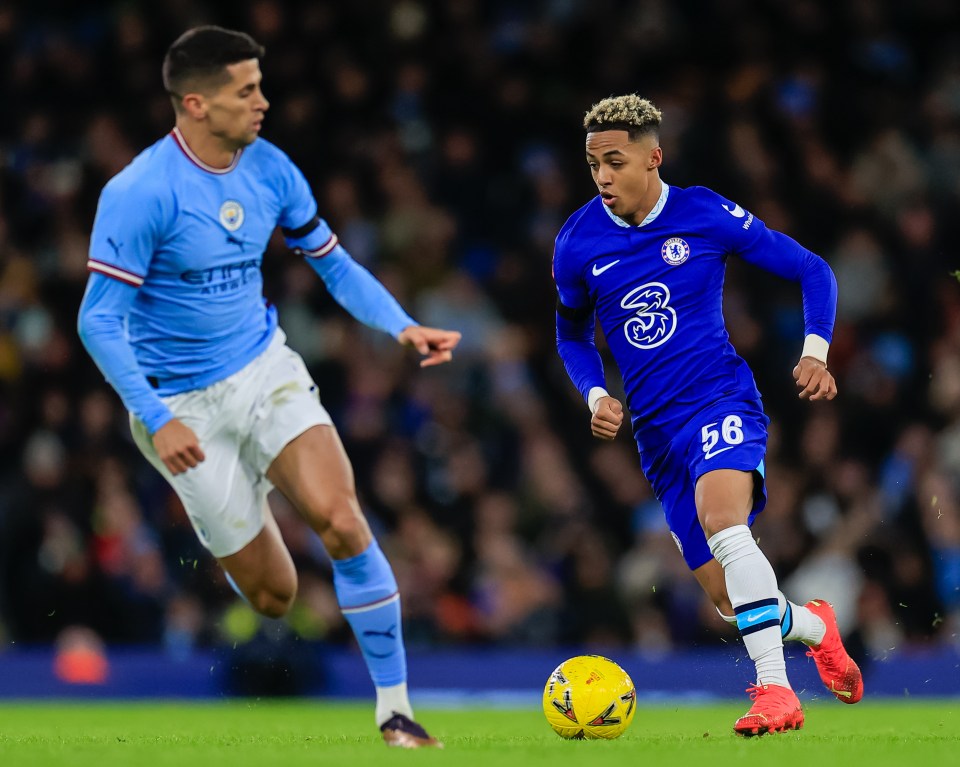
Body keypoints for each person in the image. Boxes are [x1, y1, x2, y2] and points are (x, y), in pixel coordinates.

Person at [77, 26, 458, 749]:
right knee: (274, 597)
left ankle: (397, 711)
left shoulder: (272, 169)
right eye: (245, 91)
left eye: (260, 85)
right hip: (180, 405)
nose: (264, 102)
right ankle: (239, 510)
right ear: (196, 104)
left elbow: (335, 262)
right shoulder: (139, 192)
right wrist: (156, 417)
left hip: (262, 368)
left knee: (342, 519)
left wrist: (402, 325)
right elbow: (98, 322)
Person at [553, 94, 863, 736]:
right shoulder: (577, 243)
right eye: (593, 165)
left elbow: (812, 269)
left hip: (719, 399)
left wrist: (816, 350)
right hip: (656, 434)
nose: (603, 177)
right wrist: (595, 393)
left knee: (725, 524)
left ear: (653, 157)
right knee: (730, 601)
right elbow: (571, 335)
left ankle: (776, 693)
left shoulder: (702, 213)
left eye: (615, 161)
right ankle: (814, 626)